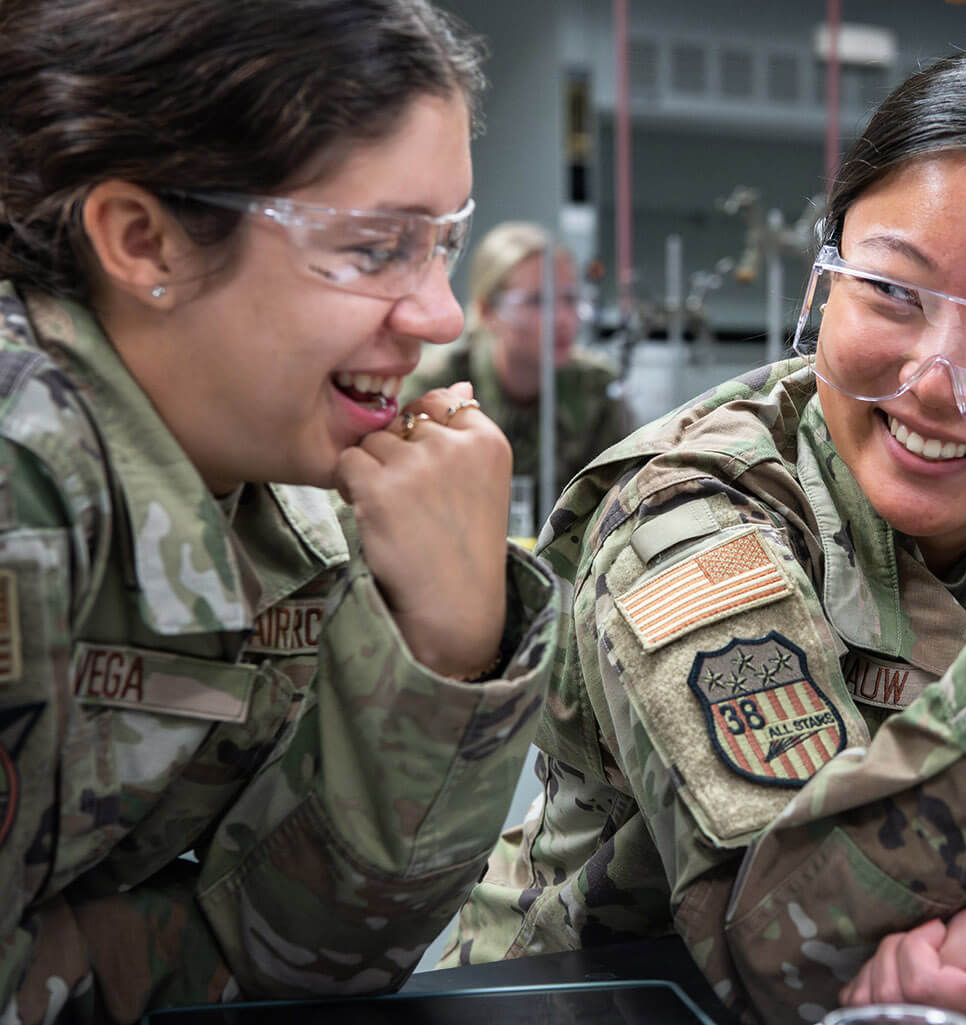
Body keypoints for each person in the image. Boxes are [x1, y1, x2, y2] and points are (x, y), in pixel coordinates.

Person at [443, 45, 966, 1025]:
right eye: (893, 291)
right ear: (827, 276)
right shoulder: (692, 508)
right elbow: (788, 939)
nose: (935, 378)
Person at [0, 2, 560, 1022]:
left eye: (443, 242)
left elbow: (297, 953)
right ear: (143, 239)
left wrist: (447, 639)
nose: (439, 314)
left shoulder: (292, 481)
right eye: (376, 246)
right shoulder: (22, 490)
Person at [407, 222, 634, 521]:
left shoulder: (596, 388)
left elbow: (625, 500)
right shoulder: (437, 383)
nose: (563, 319)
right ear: (489, 311)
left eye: (569, 299)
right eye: (537, 301)